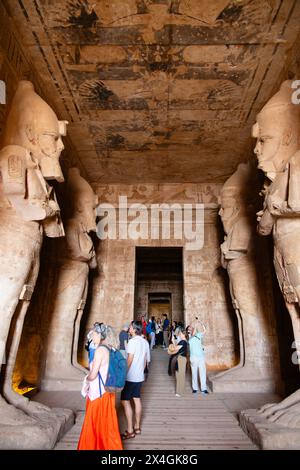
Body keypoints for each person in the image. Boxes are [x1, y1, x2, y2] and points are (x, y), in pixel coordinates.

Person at [77, 323, 123, 450]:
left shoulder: (99, 351)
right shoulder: (110, 348)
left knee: (94, 422)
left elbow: (93, 374)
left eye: (94, 334)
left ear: (99, 335)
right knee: (107, 423)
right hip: (108, 390)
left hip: (98, 392)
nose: (92, 336)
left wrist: (86, 381)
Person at [121, 320, 150, 440]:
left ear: (135, 329)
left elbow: (129, 360)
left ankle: (130, 430)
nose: (129, 329)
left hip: (130, 377)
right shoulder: (145, 342)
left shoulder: (132, 342)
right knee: (137, 399)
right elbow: (145, 361)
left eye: (131, 327)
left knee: (124, 400)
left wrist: (123, 374)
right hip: (139, 377)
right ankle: (137, 427)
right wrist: (140, 372)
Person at [189, 320, 209, 395]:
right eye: (189, 329)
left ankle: (204, 389)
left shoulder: (199, 335)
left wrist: (201, 323)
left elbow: (205, 330)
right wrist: (194, 324)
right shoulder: (190, 337)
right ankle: (195, 388)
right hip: (193, 357)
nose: (191, 329)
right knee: (194, 373)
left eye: (191, 328)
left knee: (202, 372)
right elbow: (193, 331)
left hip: (201, 357)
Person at [168, 326, 188, 397]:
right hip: (180, 358)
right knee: (178, 374)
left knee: (180, 375)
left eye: (180, 333)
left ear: (183, 334)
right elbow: (177, 348)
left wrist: (173, 342)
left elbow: (175, 348)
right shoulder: (183, 341)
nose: (179, 334)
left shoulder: (183, 342)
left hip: (181, 359)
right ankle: (179, 390)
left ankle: (180, 392)